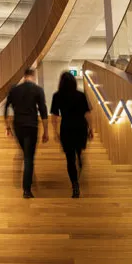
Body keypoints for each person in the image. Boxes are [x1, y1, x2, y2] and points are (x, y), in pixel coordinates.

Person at [4, 68, 49, 199]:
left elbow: (6, 108)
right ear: (33, 76)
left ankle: (28, 177)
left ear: (24, 76)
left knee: (25, 153)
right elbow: (44, 111)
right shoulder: (38, 90)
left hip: (18, 125)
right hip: (31, 126)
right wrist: (46, 131)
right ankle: (27, 190)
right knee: (29, 157)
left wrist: (7, 127)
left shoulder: (14, 90)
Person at [50, 71, 93, 199]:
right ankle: (80, 158)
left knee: (70, 159)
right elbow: (88, 113)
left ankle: (75, 185)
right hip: (80, 127)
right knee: (78, 150)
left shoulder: (57, 96)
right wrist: (91, 129)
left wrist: (55, 131)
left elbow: (54, 115)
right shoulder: (80, 95)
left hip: (66, 128)